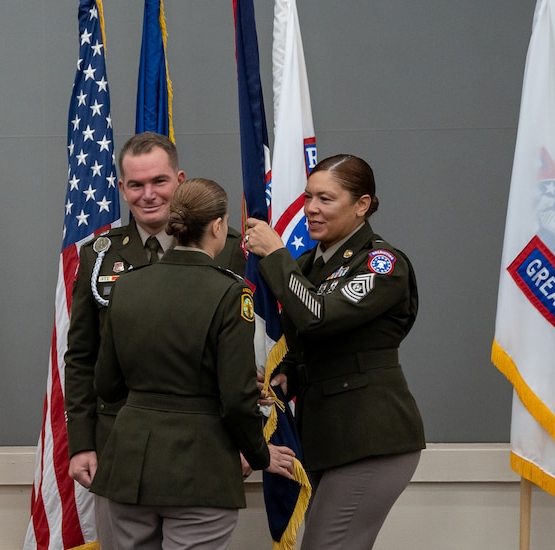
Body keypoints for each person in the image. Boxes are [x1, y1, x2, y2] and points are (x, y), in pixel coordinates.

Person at [88, 178, 295, 549]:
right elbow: (235, 400)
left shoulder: (127, 286)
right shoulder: (231, 293)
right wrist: (258, 453)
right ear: (218, 225)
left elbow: (106, 384)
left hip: (130, 464)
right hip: (201, 468)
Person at [64, 132, 245, 547]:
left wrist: (244, 443)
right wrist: (81, 443)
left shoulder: (232, 249)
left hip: (204, 445)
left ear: (179, 180)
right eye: (136, 185)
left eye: (159, 182)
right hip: (119, 446)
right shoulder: (99, 254)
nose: (149, 195)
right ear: (122, 188)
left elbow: (239, 359)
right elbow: (81, 357)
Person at [244, 154, 425, 550]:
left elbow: (319, 318)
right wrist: (284, 376)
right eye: (309, 196)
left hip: (370, 437)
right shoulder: (309, 265)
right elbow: (306, 343)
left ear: (361, 205)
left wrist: (276, 255)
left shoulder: (381, 264)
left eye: (325, 199)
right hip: (327, 437)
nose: (310, 208)